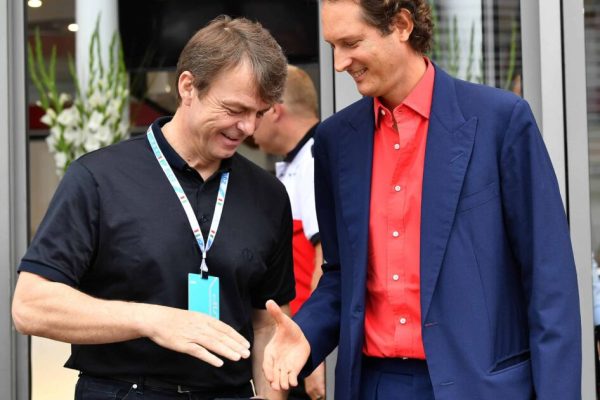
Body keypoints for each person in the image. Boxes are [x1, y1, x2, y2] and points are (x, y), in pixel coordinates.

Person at [262, 1, 581, 399]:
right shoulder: (334, 143)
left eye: (351, 43)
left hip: (481, 386)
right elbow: (342, 276)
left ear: (401, 25)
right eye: (333, 46)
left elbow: (549, 281)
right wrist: (306, 336)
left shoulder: (501, 121)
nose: (340, 62)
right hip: (375, 385)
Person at [12, 16, 294, 400]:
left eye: (259, 114)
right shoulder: (98, 178)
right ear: (188, 87)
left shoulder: (268, 195)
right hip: (125, 391)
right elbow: (31, 306)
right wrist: (150, 320)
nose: (247, 128)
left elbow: (267, 325)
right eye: (234, 109)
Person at [253, 65, 325, 400]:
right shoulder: (301, 160)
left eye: (257, 111)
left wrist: (315, 353)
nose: (249, 123)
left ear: (276, 111)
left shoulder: (315, 160)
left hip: (305, 341)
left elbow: (324, 262)